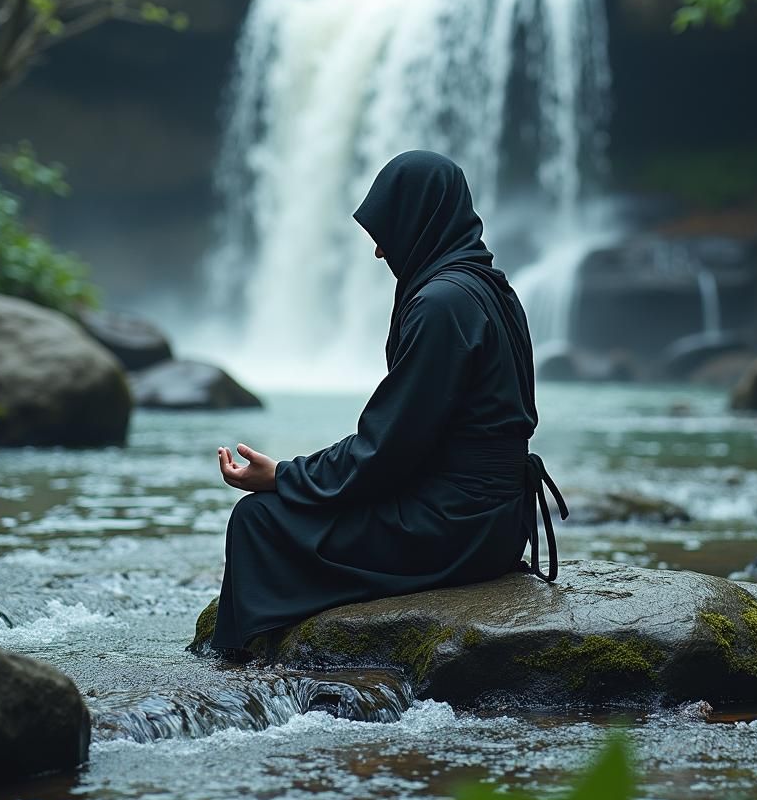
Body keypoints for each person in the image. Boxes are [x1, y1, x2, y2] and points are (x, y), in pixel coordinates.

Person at [211, 149, 567, 653]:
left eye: (386, 231)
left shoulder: (441, 305)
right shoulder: (491, 289)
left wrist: (284, 477)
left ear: (418, 221)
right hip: (498, 521)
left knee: (257, 521)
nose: (380, 252)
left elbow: (388, 449)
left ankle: (253, 669)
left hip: (456, 528)